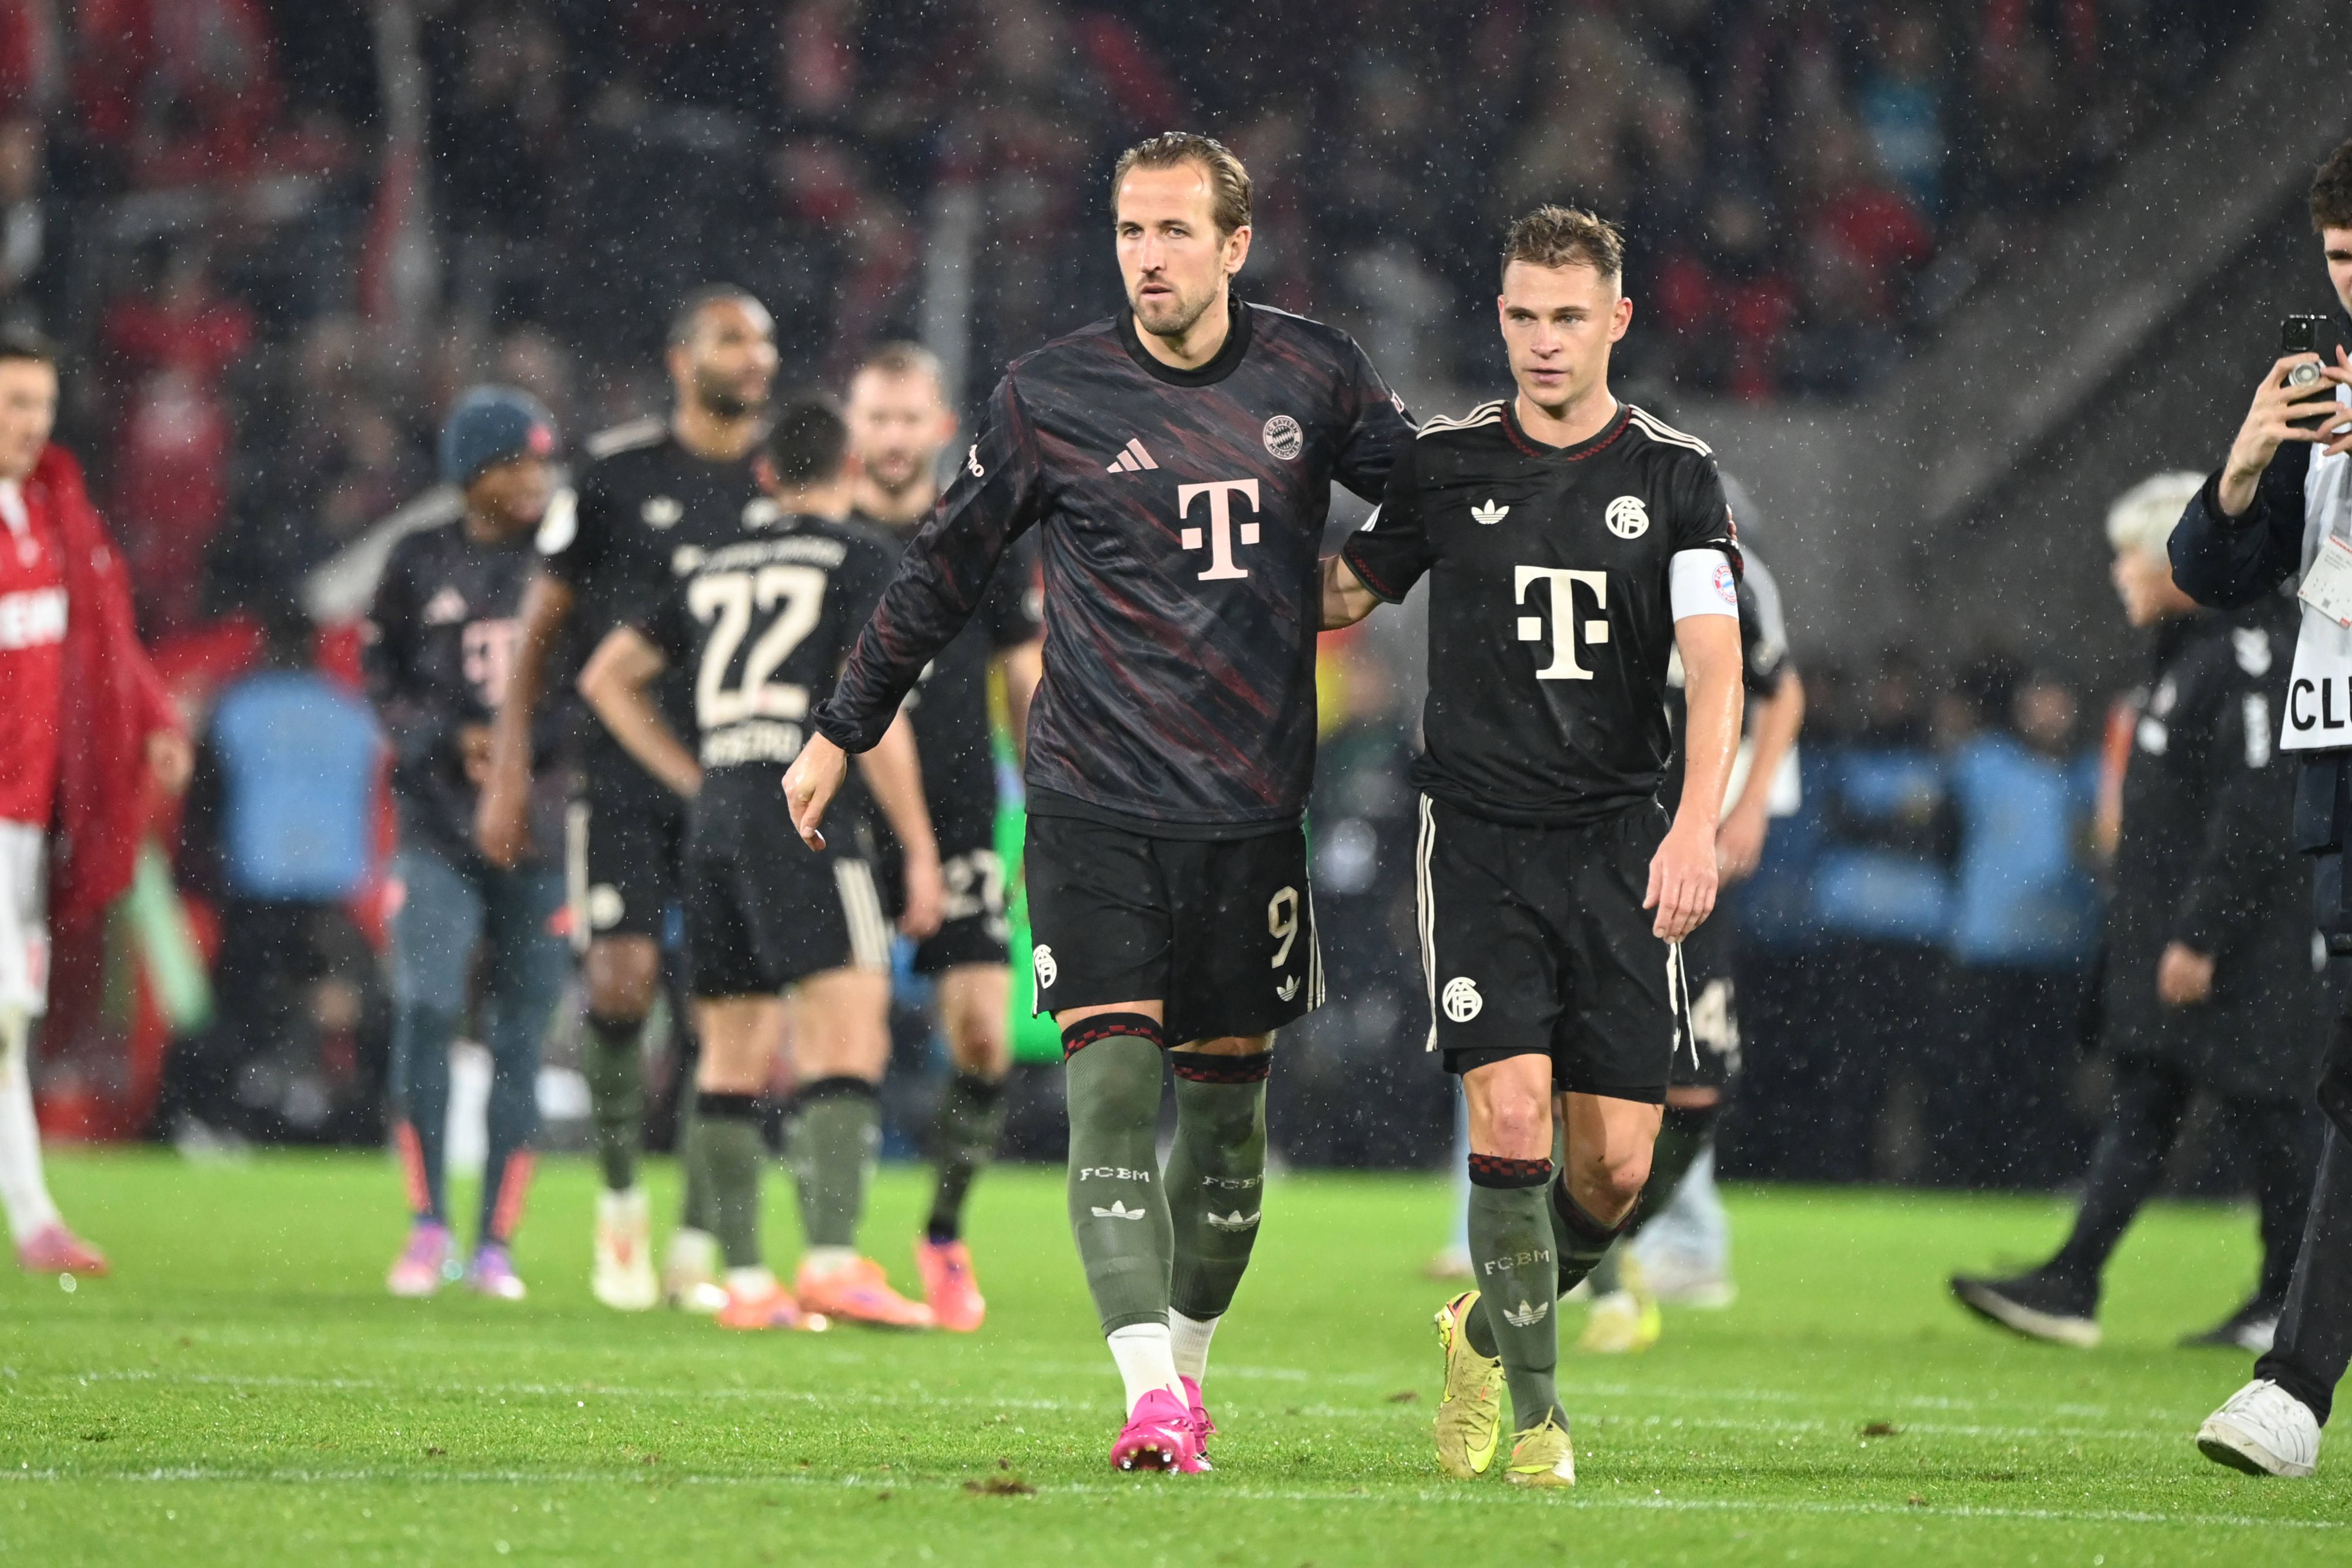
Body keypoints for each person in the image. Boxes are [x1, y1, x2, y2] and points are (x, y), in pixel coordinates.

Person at [785, 132, 1413, 1472]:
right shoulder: (1049, 394)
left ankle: (1187, 1367)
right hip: (1090, 803)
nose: (1149, 256)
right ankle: (1145, 1395)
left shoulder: (1315, 370)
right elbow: (937, 572)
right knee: (1111, 1090)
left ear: (1235, 246)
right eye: (1131, 230)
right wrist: (842, 725)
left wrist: (1366, 576)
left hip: (1251, 816)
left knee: (1230, 1132)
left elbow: (1431, 492)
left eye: (1177, 232)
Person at [1323, 205, 1746, 1487]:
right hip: (1482, 840)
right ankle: (1541, 1418)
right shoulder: (1446, 464)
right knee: (1508, 1118)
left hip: (1621, 839)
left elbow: (1715, 672)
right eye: (1520, 315)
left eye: (1568, 316)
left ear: (1615, 319)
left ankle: (1481, 1326)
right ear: (1497, 317)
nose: (1542, 341)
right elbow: (1347, 589)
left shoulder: (1674, 474)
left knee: (1615, 1163)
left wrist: (1691, 827)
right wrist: (1209, 562)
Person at [579, 392, 943, 1331]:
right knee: (846, 1035)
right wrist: (922, 847)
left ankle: (743, 1282)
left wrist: (690, 774)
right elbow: (879, 710)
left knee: (731, 1051)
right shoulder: (862, 558)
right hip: (804, 812)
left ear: (768, 476)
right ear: (850, 472)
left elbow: (605, 677)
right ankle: (829, 1260)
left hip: (716, 821)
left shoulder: (716, 562)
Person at [1950, 471, 2317, 1355]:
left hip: (2239, 944)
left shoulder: (2247, 654)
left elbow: (2259, 809)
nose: (2118, 575)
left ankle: (2284, 1298)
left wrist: (2202, 933)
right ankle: (2078, 1280)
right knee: (2152, 1103)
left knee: (2272, 1113)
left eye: (2128, 557)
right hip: (2173, 937)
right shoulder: (2187, 657)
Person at [476, 287, 778, 1313]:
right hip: (619, 775)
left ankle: (696, 1236)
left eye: (766, 341)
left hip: (745, 781)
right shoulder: (613, 479)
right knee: (619, 984)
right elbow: (542, 627)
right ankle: (617, 1206)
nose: (755, 357)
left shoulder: (782, 487)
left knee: (726, 1014)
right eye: (733, 339)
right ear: (680, 356)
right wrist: (515, 767)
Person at [2171, 139, 2352, 1477]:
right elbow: (2212, 569)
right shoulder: (2323, 404)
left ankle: (2293, 1381)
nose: (2351, 289)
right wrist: (2243, 461)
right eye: (2339, 263)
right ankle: (2292, 1383)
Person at [843, 342, 1043, 1332]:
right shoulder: (823, 538)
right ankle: (816, 1251)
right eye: (872, 418)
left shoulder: (980, 536)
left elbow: (1023, 670)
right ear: (853, 429)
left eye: (904, 418)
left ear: (936, 428)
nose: (888, 437)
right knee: (835, 1039)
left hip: (964, 809)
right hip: (842, 815)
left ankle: (942, 1233)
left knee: (979, 1036)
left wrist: (1047, 791)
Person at [367, 387, 573, 1300]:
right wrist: (451, 739)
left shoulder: (567, 560)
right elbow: (384, 685)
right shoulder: (417, 561)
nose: (534, 479)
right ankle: (426, 1224)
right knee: (424, 1007)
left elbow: (596, 681)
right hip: (437, 829)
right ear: (472, 474)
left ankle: (496, 1239)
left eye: (540, 462)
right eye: (516, 463)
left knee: (521, 1034)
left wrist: (531, 750)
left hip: (539, 825)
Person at [1579, 541, 1803, 1352]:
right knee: (1577, 1077)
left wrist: (1746, 809)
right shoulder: (1570, 556)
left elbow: (1780, 688)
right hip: (1589, 860)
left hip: (1688, 860)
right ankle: (1599, 1282)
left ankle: (1603, 1240)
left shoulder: (1723, 573)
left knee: (1698, 1091)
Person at [0, 324, 189, 1273]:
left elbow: (106, 631)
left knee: (8, 1025)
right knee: (2, 1016)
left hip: (30, 817)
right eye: (12, 402)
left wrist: (155, 716)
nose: (30, 422)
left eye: (39, 401)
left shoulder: (55, 511)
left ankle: (35, 1223)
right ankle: (33, 1218)